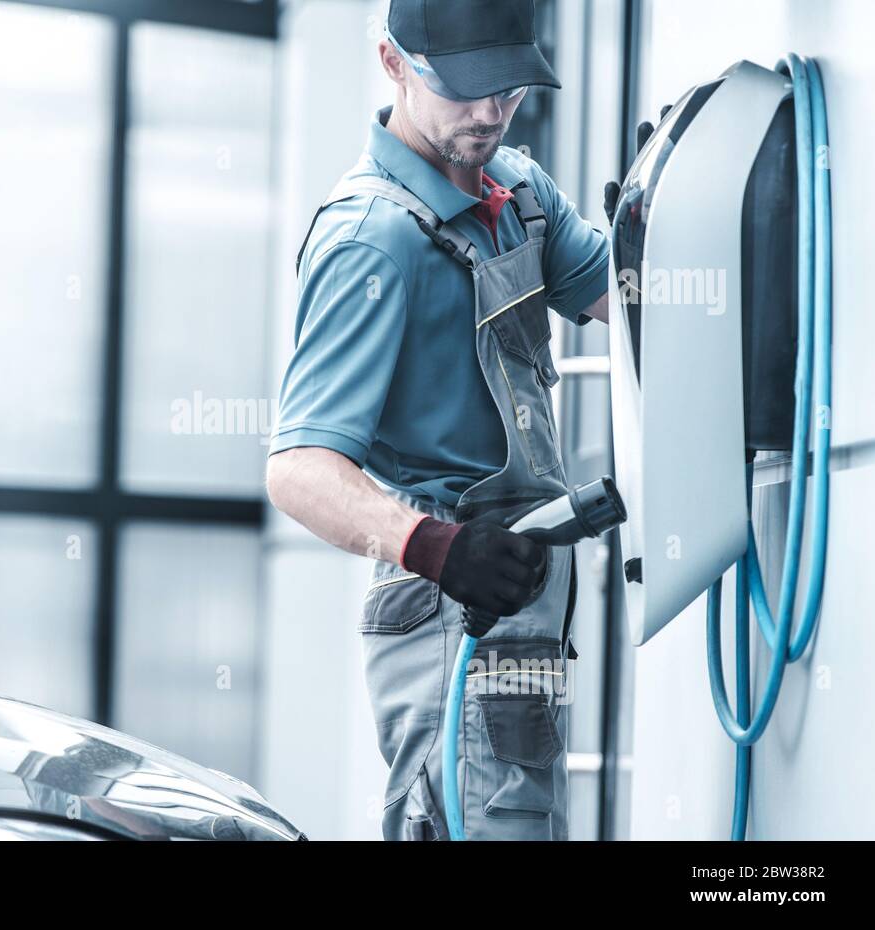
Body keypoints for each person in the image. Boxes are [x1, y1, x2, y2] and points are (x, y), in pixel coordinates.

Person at [266, 0, 610, 840]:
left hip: (524, 595)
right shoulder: (370, 240)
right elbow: (299, 470)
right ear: (392, 63)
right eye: (465, 90)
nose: (491, 113)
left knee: (522, 820)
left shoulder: (521, 194)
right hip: (448, 599)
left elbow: (630, 305)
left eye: (510, 87)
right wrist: (439, 550)